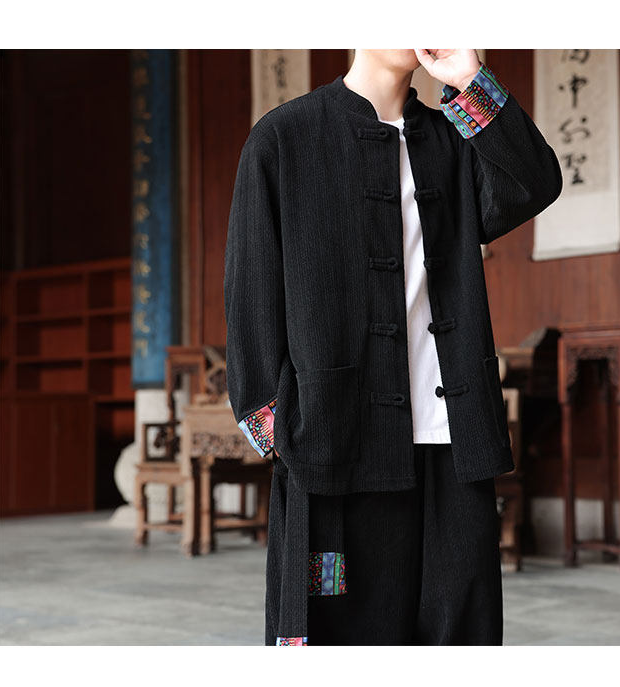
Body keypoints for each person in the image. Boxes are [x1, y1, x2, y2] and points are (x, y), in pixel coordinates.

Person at [224, 48, 562, 646]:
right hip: (335, 451)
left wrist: (469, 81)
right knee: (336, 631)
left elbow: (534, 182)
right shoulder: (283, 139)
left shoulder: (452, 139)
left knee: (462, 634)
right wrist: (283, 435)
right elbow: (250, 296)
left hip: (454, 445)